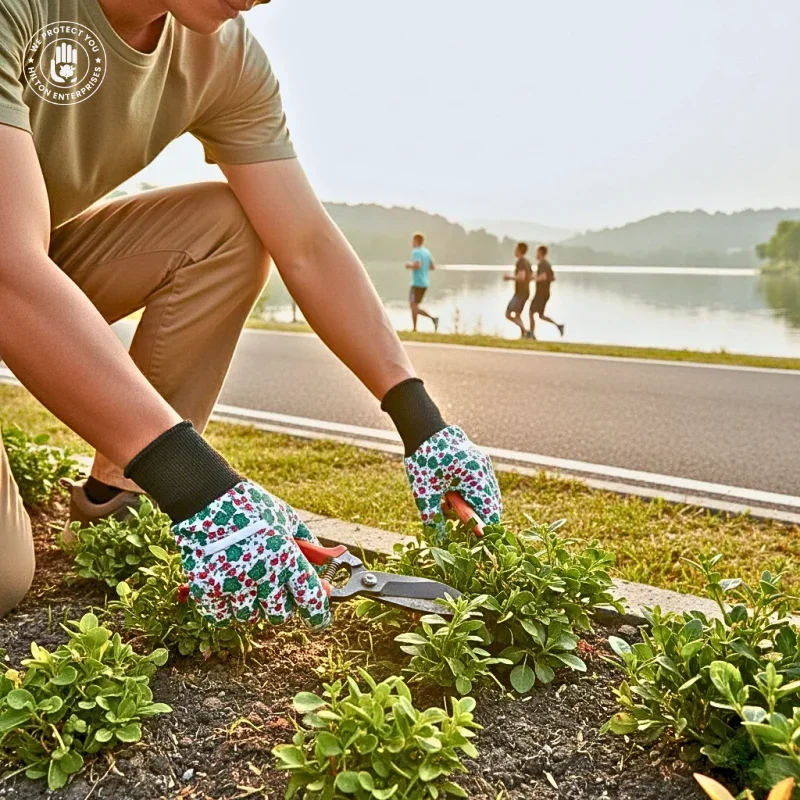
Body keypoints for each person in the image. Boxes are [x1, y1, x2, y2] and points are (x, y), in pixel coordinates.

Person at [0, 0, 502, 626]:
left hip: (30, 260)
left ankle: (116, 500)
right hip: (9, 264)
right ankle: (171, 483)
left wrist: (422, 423)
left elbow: (308, 246)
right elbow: (7, 268)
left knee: (232, 227)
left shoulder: (225, 54)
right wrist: (198, 485)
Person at [528, 246, 565, 340]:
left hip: (541, 293)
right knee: (540, 315)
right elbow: (553, 278)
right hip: (545, 293)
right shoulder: (547, 264)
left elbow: (543, 277)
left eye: (537, 252)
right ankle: (559, 326)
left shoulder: (542, 264)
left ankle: (531, 334)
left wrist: (533, 279)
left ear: (540, 252)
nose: (536, 254)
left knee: (531, 311)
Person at [406, 233, 439, 332]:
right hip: (425, 283)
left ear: (416, 241)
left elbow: (418, 265)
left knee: (413, 306)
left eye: (413, 240)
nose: (412, 242)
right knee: (414, 306)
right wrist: (424, 269)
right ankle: (415, 328)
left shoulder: (416, 252)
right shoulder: (426, 252)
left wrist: (409, 266)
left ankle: (432, 319)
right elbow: (433, 267)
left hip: (417, 283)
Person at [503, 242, 533, 337]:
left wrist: (509, 278)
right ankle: (523, 334)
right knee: (517, 314)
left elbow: (521, 277)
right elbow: (531, 276)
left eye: (516, 249)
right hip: (525, 292)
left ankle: (526, 332)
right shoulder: (527, 262)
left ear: (519, 250)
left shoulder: (521, 262)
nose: (514, 251)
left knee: (508, 314)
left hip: (520, 293)